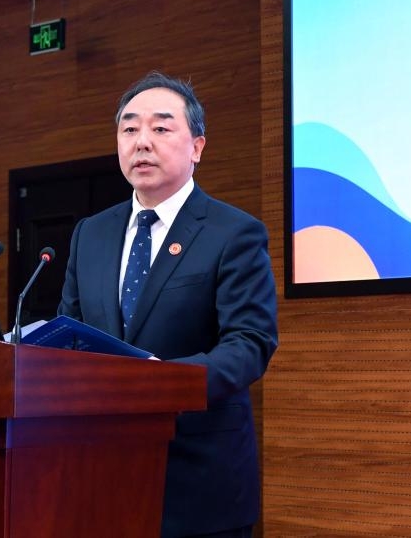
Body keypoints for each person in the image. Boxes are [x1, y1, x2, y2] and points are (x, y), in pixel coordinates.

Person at [59, 70, 279, 538]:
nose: (142, 141)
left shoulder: (233, 233)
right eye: (129, 129)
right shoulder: (90, 234)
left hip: (197, 480)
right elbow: (70, 334)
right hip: (100, 476)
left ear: (197, 146)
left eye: (160, 128)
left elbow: (250, 343)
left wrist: (165, 384)